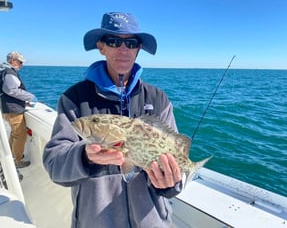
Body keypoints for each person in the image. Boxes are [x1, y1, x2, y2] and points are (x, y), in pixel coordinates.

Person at [43, 12, 183, 228]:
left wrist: (169, 184)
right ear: (101, 46)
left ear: (138, 49)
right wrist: (84, 156)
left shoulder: (158, 99)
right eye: (114, 41)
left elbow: (175, 173)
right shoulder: (74, 98)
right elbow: (54, 164)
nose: (123, 49)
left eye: (131, 42)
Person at [0, 51, 36, 168]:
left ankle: (11, 157)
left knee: (14, 134)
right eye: (20, 62)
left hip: (8, 108)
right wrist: (30, 97)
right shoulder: (10, 73)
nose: (21, 65)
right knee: (20, 135)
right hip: (13, 109)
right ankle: (17, 161)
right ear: (13, 61)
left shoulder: (4, 70)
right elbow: (11, 90)